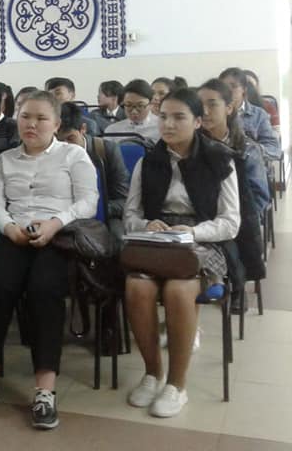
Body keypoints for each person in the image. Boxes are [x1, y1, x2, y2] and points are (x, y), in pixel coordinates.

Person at [0, 91, 97, 430]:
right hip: (15, 234)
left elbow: (88, 202)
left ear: (57, 123)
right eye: (25, 117)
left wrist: (55, 223)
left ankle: (45, 390)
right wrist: (9, 227)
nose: (31, 124)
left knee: (44, 290)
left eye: (41, 118)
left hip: (58, 236)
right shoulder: (6, 159)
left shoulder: (73, 155)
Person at [123, 87, 239, 418]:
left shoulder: (220, 160)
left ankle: (177, 385)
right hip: (157, 241)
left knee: (178, 290)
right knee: (137, 286)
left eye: (179, 117)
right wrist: (147, 225)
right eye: (163, 117)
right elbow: (130, 215)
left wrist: (192, 232)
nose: (168, 124)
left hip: (202, 242)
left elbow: (231, 222)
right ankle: (152, 373)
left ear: (198, 121)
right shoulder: (148, 161)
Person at [197, 79, 269, 309]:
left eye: (212, 104)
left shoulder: (247, 148)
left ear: (229, 108)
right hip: (198, 213)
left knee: (231, 227)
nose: (205, 111)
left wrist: (232, 214)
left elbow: (259, 196)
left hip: (239, 214)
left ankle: (235, 284)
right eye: (199, 105)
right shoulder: (190, 146)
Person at [56, 102, 129, 240]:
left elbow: (123, 200)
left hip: (104, 214)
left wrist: (96, 208)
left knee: (118, 237)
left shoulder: (106, 150)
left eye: (70, 138)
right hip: (60, 215)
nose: (66, 145)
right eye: (59, 141)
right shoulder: (51, 153)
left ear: (83, 129)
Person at [219, 68, 281, 160]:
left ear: (244, 89)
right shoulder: (213, 113)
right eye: (224, 87)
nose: (228, 91)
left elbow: (274, 149)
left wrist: (250, 149)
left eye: (233, 86)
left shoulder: (259, 114)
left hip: (252, 163)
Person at [104, 79, 161, 143]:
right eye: (128, 105)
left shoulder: (161, 128)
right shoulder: (112, 131)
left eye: (140, 106)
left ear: (151, 104)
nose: (134, 111)